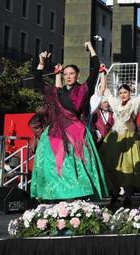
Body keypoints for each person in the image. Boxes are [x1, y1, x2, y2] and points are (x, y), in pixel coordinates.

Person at [30, 42, 108, 201]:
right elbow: (37, 82)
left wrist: (91, 49)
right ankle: (57, 196)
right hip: (55, 134)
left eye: (72, 73)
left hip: (76, 133)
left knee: (76, 167)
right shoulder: (56, 92)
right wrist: (41, 63)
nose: (68, 76)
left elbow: (95, 69)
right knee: (52, 166)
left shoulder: (84, 89)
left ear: (78, 75)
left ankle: (77, 196)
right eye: (65, 74)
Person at [97, 70, 140, 208]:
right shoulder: (115, 104)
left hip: (130, 139)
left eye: (125, 92)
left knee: (130, 167)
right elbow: (107, 91)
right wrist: (103, 73)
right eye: (120, 93)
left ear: (129, 93)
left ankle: (127, 196)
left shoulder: (134, 103)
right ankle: (114, 194)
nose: (122, 95)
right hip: (115, 138)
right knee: (112, 166)